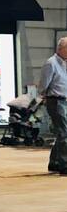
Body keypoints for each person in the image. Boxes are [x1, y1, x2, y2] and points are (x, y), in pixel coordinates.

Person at [39, 37, 67, 174]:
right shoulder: (51, 63)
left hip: (64, 100)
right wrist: (45, 96)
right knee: (64, 132)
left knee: (62, 132)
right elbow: (43, 85)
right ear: (61, 49)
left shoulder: (64, 63)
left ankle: (54, 162)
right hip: (55, 100)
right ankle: (64, 164)